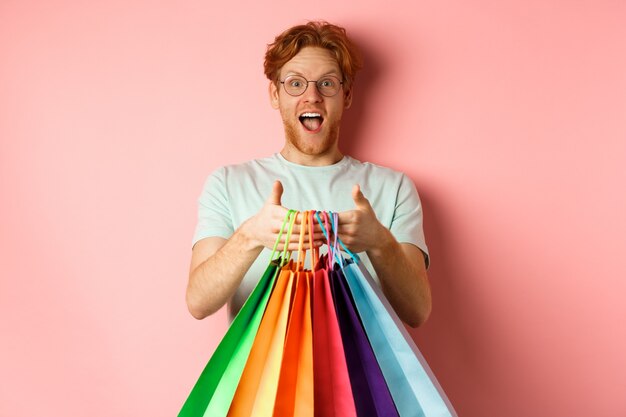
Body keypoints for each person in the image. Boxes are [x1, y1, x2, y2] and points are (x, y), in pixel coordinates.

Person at [187, 21, 431, 328]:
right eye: (295, 83)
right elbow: (198, 302)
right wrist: (250, 236)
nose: (312, 96)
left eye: (327, 83)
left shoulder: (394, 188)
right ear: (275, 94)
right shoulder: (227, 183)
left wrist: (379, 241)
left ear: (347, 96)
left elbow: (417, 312)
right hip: (263, 377)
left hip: (365, 377)